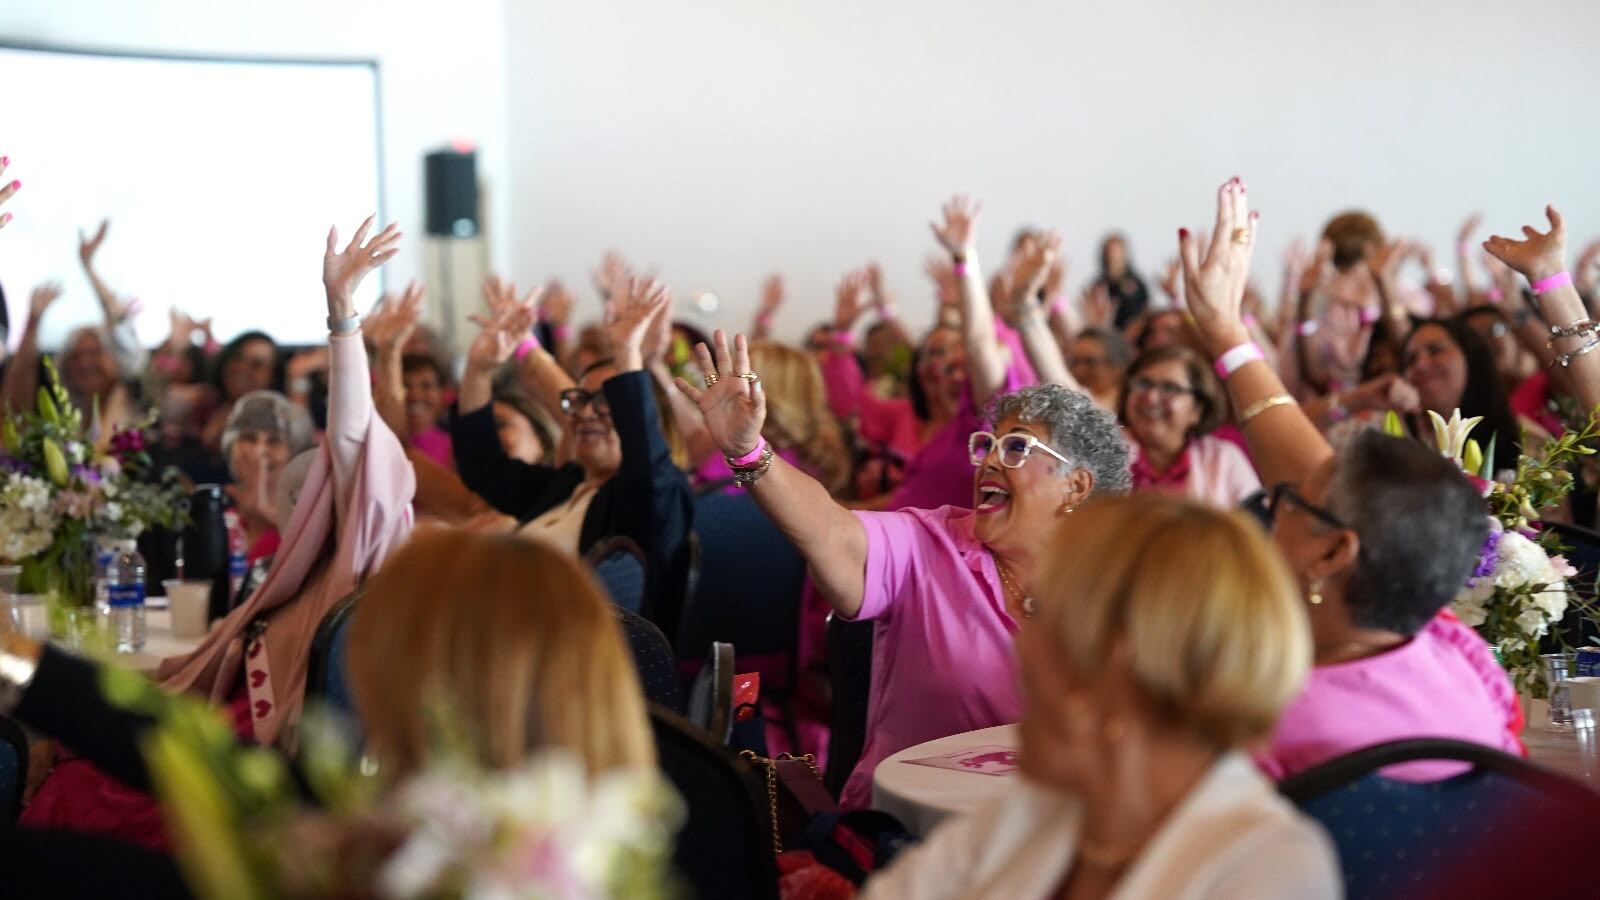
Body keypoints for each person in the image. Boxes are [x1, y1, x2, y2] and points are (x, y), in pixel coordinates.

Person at [20, 216, 418, 847]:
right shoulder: (305, 566)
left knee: (76, 792)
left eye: (331, 485)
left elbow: (351, 438)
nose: (312, 494)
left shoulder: (362, 553)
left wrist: (343, 318)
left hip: (238, 778)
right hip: (205, 732)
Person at [678, 328, 1130, 809]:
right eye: (987, 446)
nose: (989, 463)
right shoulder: (929, 545)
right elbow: (833, 532)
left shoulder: (1120, 589)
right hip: (914, 833)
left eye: (1016, 448)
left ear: (1076, 486)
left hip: (1057, 831)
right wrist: (750, 453)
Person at [1175, 177, 1522, 783]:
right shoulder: (1461, 661)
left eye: (1287, 502)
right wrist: (1227, 334)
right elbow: (1321, 478)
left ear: (1335, 550)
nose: (1271, 508)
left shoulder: (1252, 726)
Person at [862, 495, 1337, 899]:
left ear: (1117, 660)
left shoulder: (1269, 869)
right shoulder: (1036, 811)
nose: (1020, 644)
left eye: (1041, 613)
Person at [448, 275, 693, 628]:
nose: (584, 412)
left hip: (586, 663)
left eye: (606, 401)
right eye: (578, 399)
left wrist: (627, 353)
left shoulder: (654, 499)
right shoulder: (568, 486)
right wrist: (479, 370)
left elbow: (648, 470)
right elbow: (483, 467)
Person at [1120, 345, 1260, 508]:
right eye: (1143, 384)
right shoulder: (1098, 451)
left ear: (1197, 409)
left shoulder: (1223, 458)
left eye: (1169, 388)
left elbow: (1254, 529)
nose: (1151, 397)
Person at [1401, 316, 1532, 474]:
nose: (1420, 365)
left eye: (1435, 350)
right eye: (1410, 360)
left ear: (1471, 358)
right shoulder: (1400, 443)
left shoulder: (1525, 440)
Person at [219, 390, 317, 563]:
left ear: (294, 452)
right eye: (249, 438)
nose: (259, 452)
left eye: (273, 441)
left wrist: (265, 510)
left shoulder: (308, 516)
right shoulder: (221, 519)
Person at [1067, 326, 1130, 412]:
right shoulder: (1068, 402)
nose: (1079, 370)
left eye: (1090, 362)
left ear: (1117, 367)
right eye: (1074, 361)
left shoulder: (1127, 411)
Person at [1096, 232, 1152, 329]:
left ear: (1123, 253)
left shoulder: (1136, 283)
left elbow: (1145, 311)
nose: (1112, 255)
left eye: (1115, 250)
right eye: (1108, 250)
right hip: (1106, 333)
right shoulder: (1098, 285)